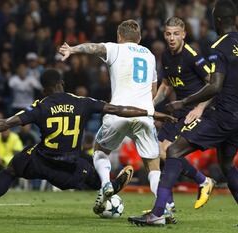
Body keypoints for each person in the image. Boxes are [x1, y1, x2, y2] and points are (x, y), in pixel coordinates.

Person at [0, 69, 176, 220]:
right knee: (91, 160)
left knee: (11, 169)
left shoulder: (41, 105)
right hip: (70, 170)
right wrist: (152, 112)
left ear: (44, 88)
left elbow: (4, 123)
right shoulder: (82, 102)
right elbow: (118, 110)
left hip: (40, 160)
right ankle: (106, 186)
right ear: (62, 84)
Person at [128, 0, 238, 227]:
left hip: (221, 115)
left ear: (217, 20)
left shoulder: (218, 47)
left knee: (173, 151)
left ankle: (158, 212)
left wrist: (186, 102)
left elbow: (214, 86)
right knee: (227, 164)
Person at [59, 19, 166, 215]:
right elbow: (153, 91)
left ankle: (106, 183)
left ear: (119, 36)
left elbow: (93, 48)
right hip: (143, 114)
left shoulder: (115, 49)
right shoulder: (150, 56)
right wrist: (146, 108)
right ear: (140, 38)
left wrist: (72, 50)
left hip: (118, 112)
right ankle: (163, 207)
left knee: (100, 150)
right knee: (153, 164)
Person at [153, 16, 216, 210]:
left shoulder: (192, 55)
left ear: (184, 35)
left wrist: (200, 107)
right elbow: (166, 85)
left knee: (170, 151)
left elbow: (213, 84)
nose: (172, 38)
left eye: (176, 34)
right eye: (168, 34)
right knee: (157, 152)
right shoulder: (166, 55)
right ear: (164, 35)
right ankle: (169, 204)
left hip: (194, 110)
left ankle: (202, 181)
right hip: (178, 109)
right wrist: (151, 105)